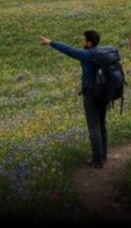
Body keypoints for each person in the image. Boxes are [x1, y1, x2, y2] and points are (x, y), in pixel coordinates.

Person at [40, 30, 107, 168]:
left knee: (94, 127)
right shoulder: (103, 52)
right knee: (101, 125)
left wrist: (51, 42)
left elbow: (69, 51)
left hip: (91, 94)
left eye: (84, 40)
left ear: (89, 42)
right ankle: (103, 155)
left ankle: (97, 160)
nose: (82, 42)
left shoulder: (87, 54)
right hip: (104, 93)